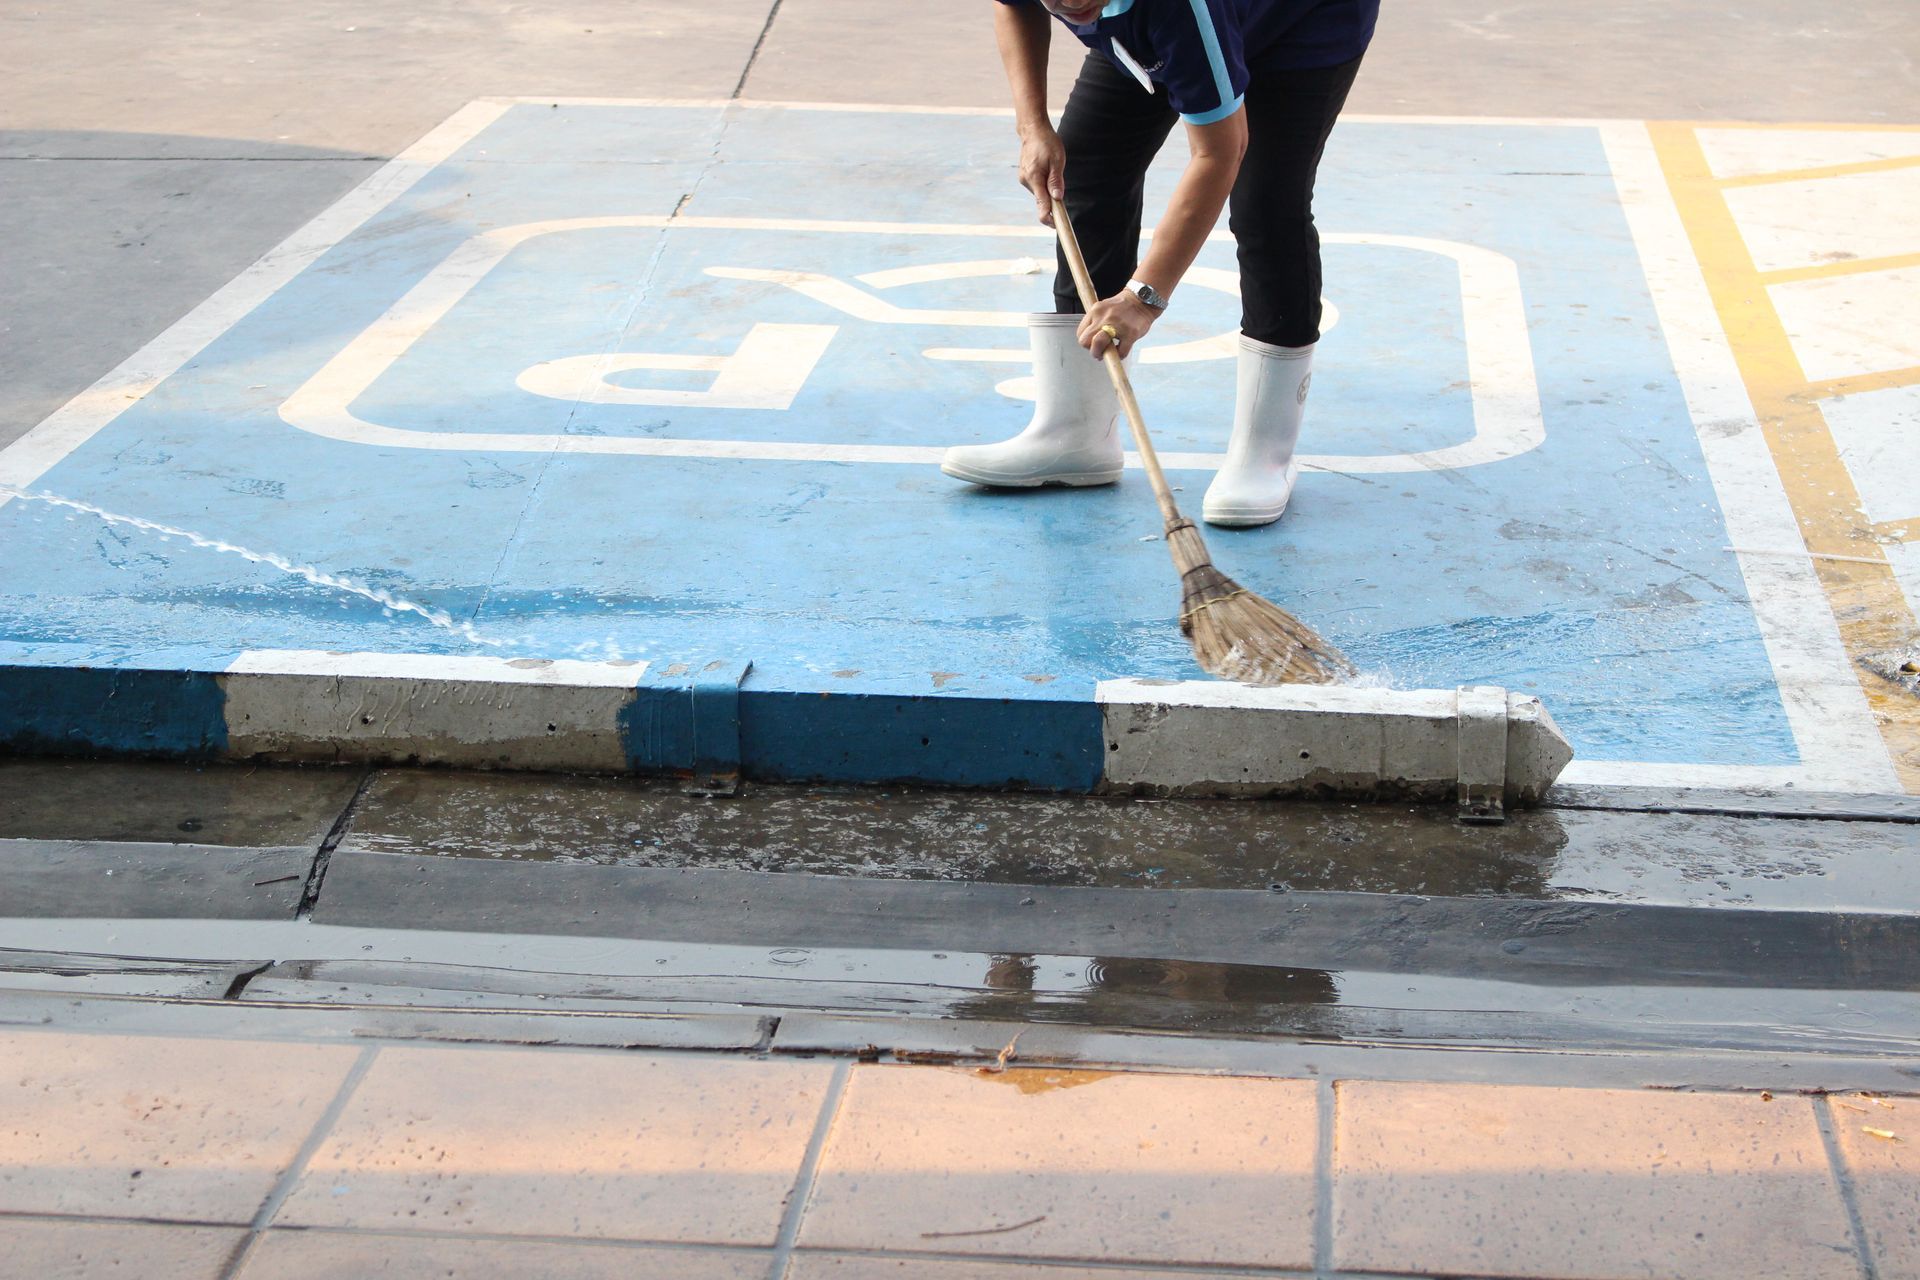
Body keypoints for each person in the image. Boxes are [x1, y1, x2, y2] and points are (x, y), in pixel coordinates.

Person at [942, 0, 1378, 527]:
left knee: (1266, 205)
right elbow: (1013, 7)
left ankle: (1265, 455)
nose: (1071, 4)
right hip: (1159, 24)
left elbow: (1220, 151)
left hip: (1301, 22)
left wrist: (1142, 299)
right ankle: (1076, 431)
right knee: (1086, 167)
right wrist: (1032, 126)